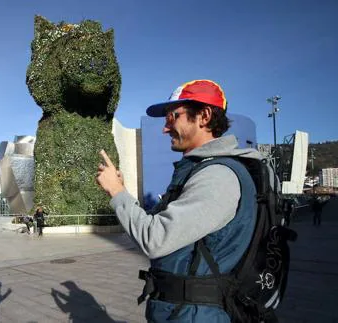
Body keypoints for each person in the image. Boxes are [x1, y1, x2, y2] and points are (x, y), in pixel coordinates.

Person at [96, 80, 263, 322]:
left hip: (197, 315)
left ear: (204, 116)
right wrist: (122, 189)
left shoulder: (217, 176)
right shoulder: (202, 170)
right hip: (184, 311)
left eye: (173, 117)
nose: (165, 128)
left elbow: (155, 239)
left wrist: (117, 192)